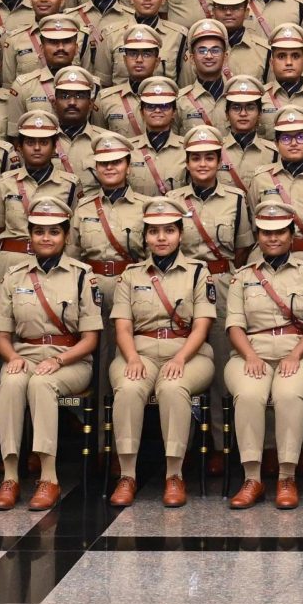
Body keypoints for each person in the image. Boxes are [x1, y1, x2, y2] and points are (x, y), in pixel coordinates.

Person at [0, 197, 101, 511]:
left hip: (70, 359)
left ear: (66, 235)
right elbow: (1, 336)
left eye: (54, 231)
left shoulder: (82, 276)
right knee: (11, 385)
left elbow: (90, 339)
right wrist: (12, 357)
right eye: (39, 231)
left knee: (41, 385)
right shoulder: (14, 276)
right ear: (30, 236)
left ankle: (48, 477)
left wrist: (58, 360)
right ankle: (11, 476)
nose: (46, 238)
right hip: (24, 355)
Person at [107, 198, 217, 507]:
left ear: (181, 234)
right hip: (138, 351)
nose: (161, 238)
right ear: (145, 237)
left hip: (188, 353)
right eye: (154, 232)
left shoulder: (198, 272)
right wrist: (130, 358)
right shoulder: (131, 275)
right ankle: (127, 475)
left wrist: (180, 358)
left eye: (169, 230)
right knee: (128, 389)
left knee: (172, 388)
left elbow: (201, 326)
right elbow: (123, 327)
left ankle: (174, 475)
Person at [222, 204, 303, 510]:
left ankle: (286, 477)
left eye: (280, 232)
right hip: (249, 352)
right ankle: (252, 478)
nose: (273, 238)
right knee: (250, 394)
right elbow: (234, 324)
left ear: (291, 235)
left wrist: (295, 354)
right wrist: (250, 355)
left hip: (299, 352)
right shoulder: (242, 277)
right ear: (257, 236)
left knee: (288, 393)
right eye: (266, 233)